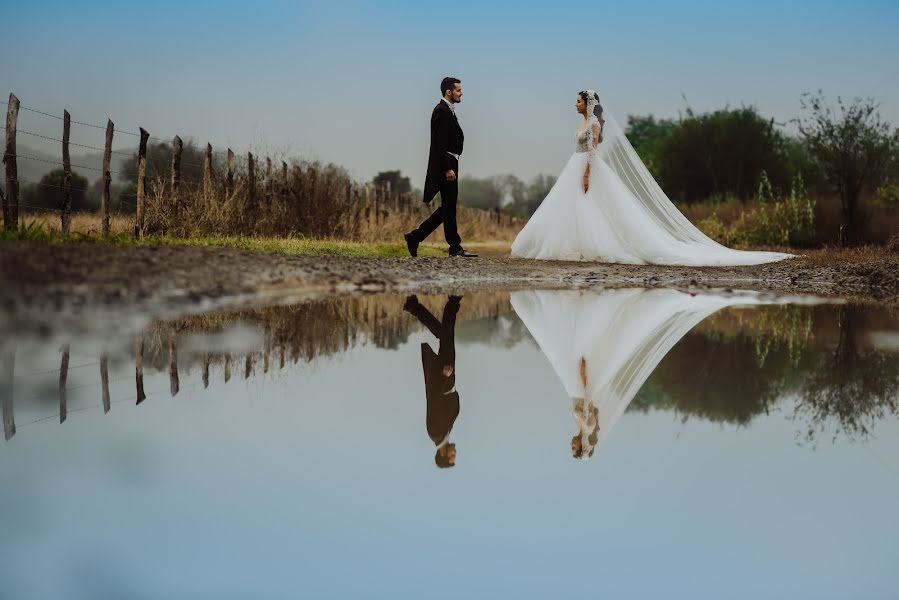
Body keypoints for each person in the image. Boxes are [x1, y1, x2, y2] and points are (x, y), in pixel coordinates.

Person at [510, 90, 793, 266]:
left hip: (587, 166)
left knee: (591, 205)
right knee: (570, 208)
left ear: (588, 103)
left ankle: (593, 245)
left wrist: (586, 174)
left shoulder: (594, 123)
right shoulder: (583, 122)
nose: (574, 104)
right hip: (574, 165)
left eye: (578, 100)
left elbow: (594, 151)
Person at [404, 77, 478, 258]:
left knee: (447, 207)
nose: (462, 93)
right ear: (448, 92)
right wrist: (447, 168)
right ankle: (455, 248)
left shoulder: (448, 111)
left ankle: (415, 237)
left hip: (451, 163)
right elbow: (437, 144)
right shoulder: (440, 111)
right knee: (449, 207)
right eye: (459, 90)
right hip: (446, 165)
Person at [404, 294, 462, 468]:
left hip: (443, 377)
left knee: (447, 337)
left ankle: (452, 302)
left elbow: (434, 400)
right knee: (445, 336)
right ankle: (414, 307)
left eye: (452, 456)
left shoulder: (435, 433)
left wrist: (444, 378)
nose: (455, 453)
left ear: (442, 454)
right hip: (446, 378)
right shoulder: (443, 434)